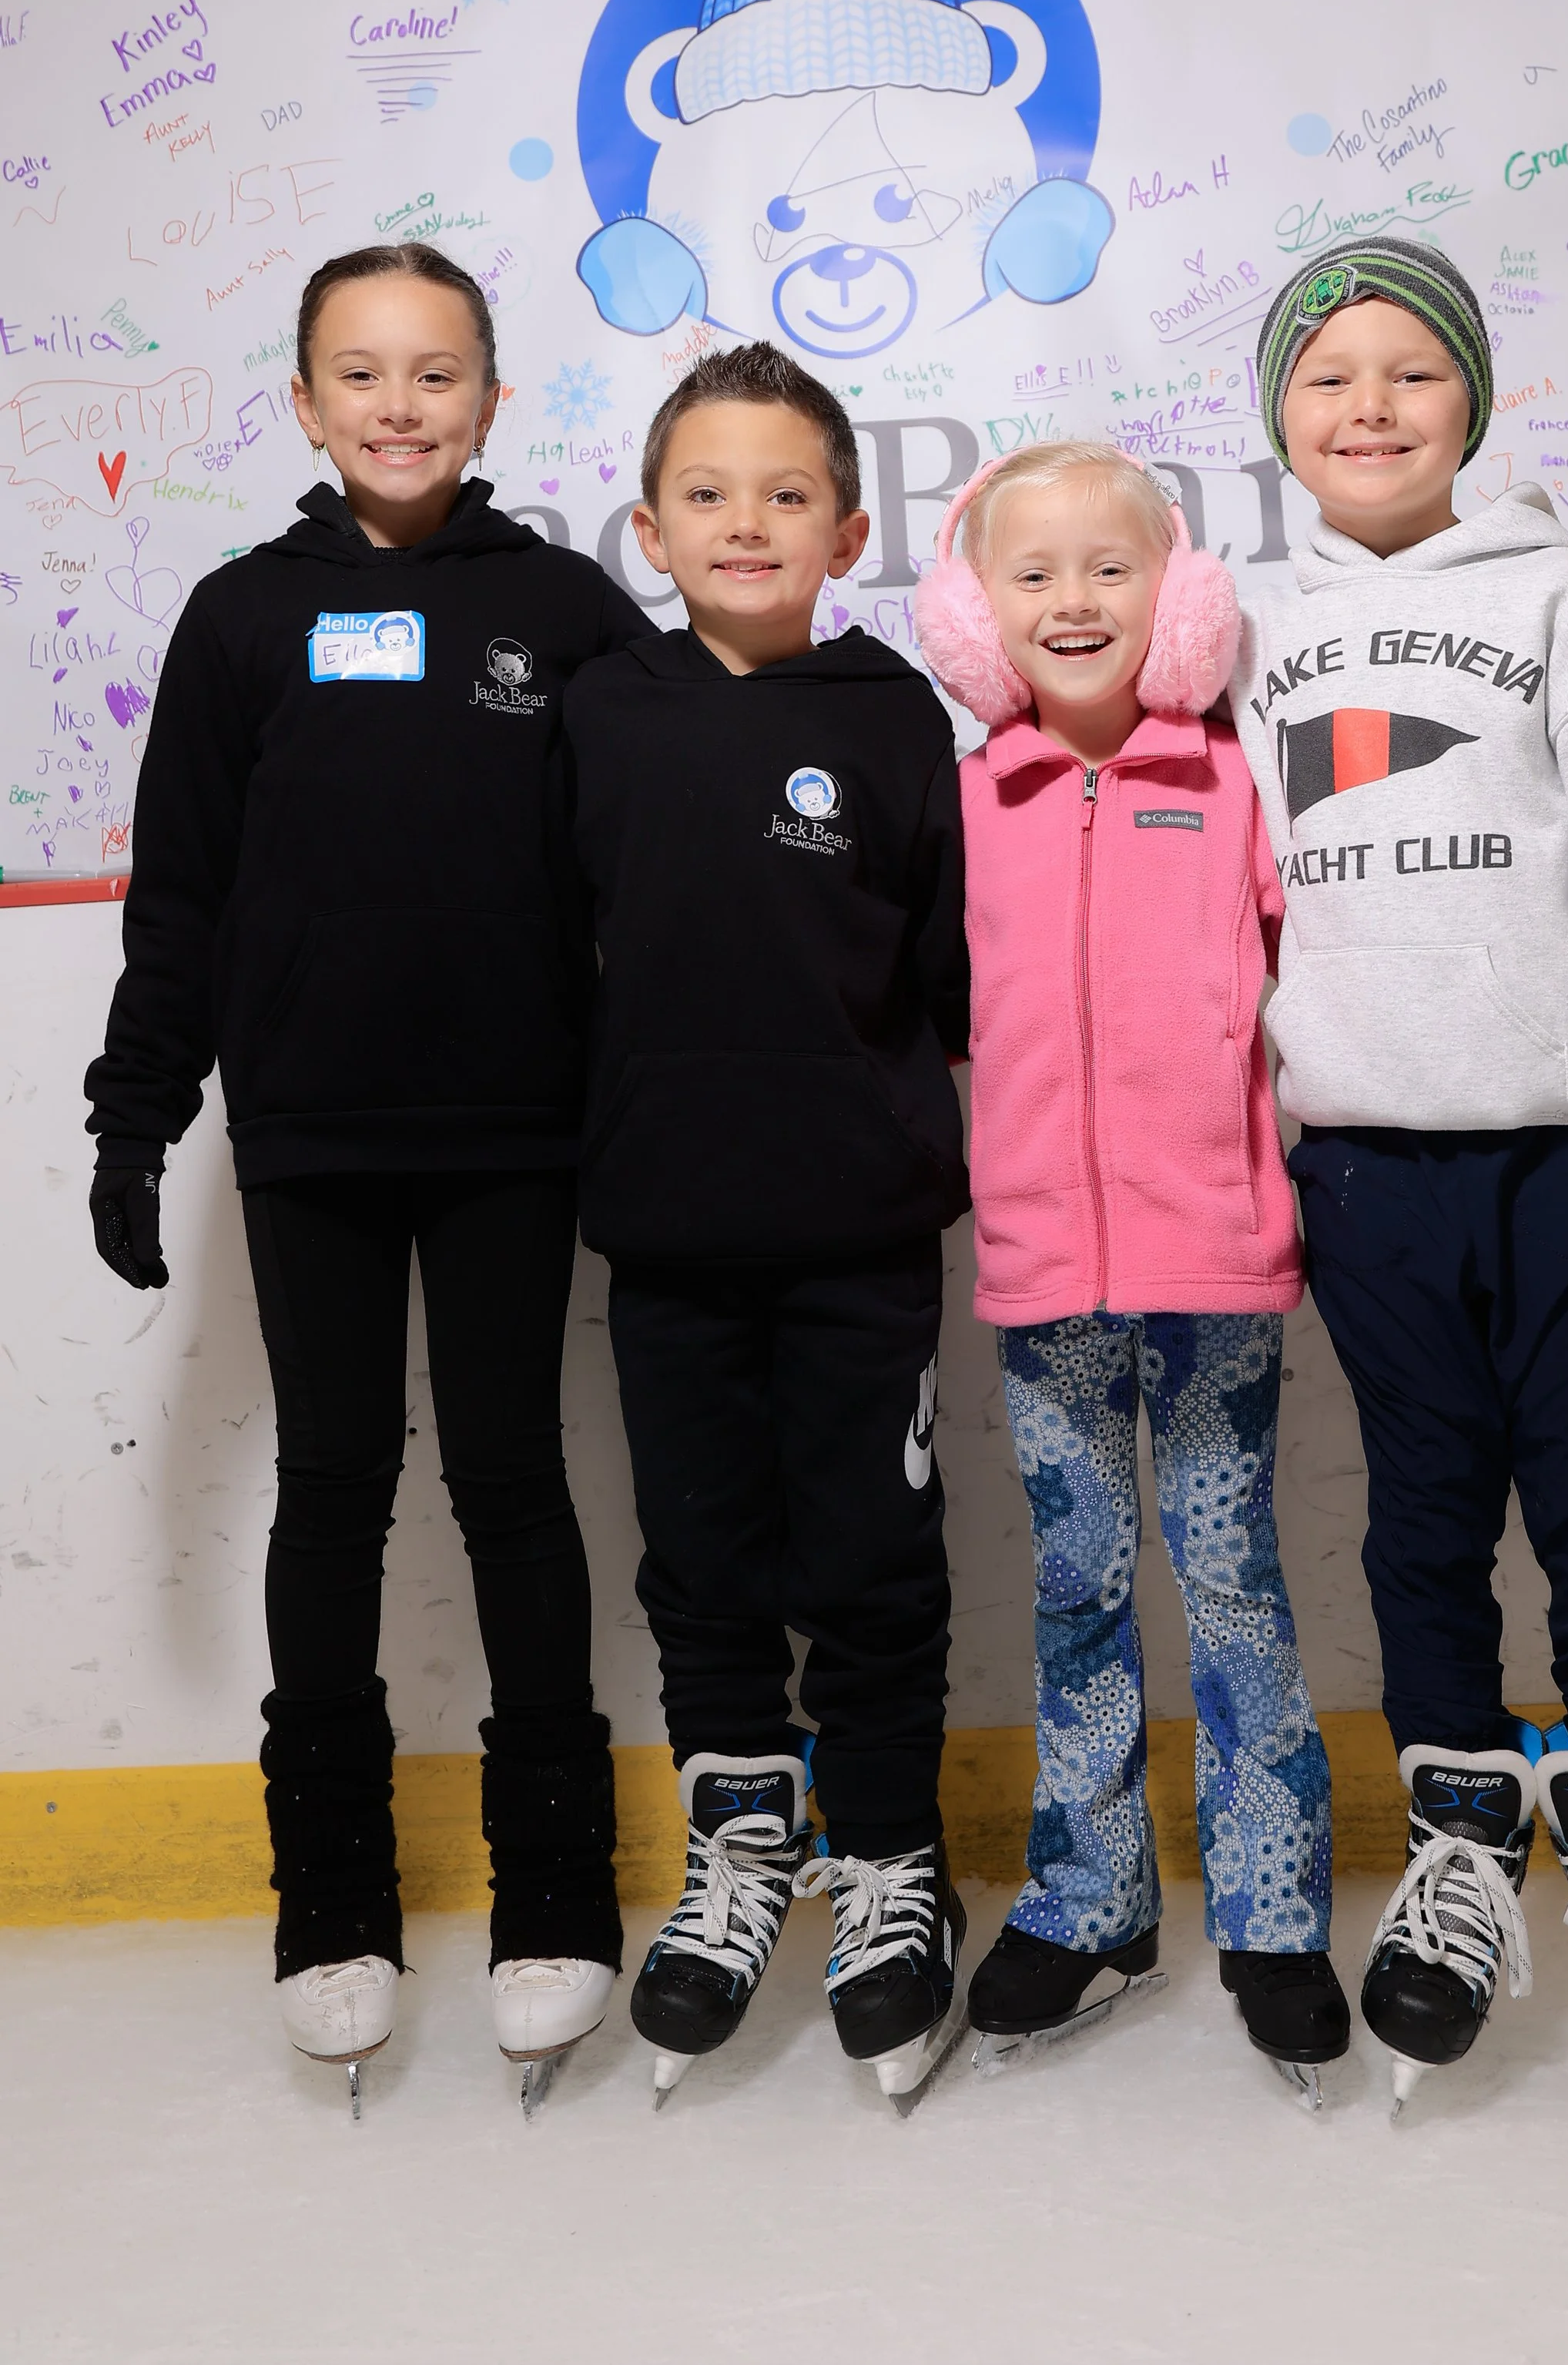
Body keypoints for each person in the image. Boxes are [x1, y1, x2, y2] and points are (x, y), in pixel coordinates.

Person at [85, 243, 642, 2108]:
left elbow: (648, 868)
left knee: (511, 1484)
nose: (399, 405)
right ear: (306, 403)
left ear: (491, 399)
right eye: (361, 372)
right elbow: (182, 893)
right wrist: (136, 1115)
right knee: (331, 1491)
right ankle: (330, 1905)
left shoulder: (562, 609)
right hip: (312, 1132)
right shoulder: (243, 616)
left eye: (435, 371)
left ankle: (554, 1892)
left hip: (513, 1133)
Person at [1238, 236, 1568, 2124]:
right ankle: (1458, 1833)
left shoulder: (1559, 595)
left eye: (1411, 371)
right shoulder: (1241, 631)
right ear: (1277, 418)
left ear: (1472, 397)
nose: (1368, 405)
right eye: (1326, 376)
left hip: (1562, 1162)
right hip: (1362, 1165)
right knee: (1423, 1515)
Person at [562, 339, 972, 2111]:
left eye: (786, 494)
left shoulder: (894, 719)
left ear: (846, 532)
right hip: (665, 1232)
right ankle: (739, 1851)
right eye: (708, 493)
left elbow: (947, 977)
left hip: (858, 1238)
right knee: (703, 1565)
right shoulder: (597, 714)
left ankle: (886, 1860)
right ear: (650, 528)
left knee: (872, 1564)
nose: (747, 521)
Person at [913, 440, 1349, 2105]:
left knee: (1231, 1580)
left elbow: (1319, 979)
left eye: (1110, 566)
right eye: (1031, 574)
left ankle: (1271, 1911)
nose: (1074, 600)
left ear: (1177, 592)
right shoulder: (968, 803)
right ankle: (1090, 1898)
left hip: (1215, 1259)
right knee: (1076, 1582)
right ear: (975, 615)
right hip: (1044, 1270)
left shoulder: (1235, 776)